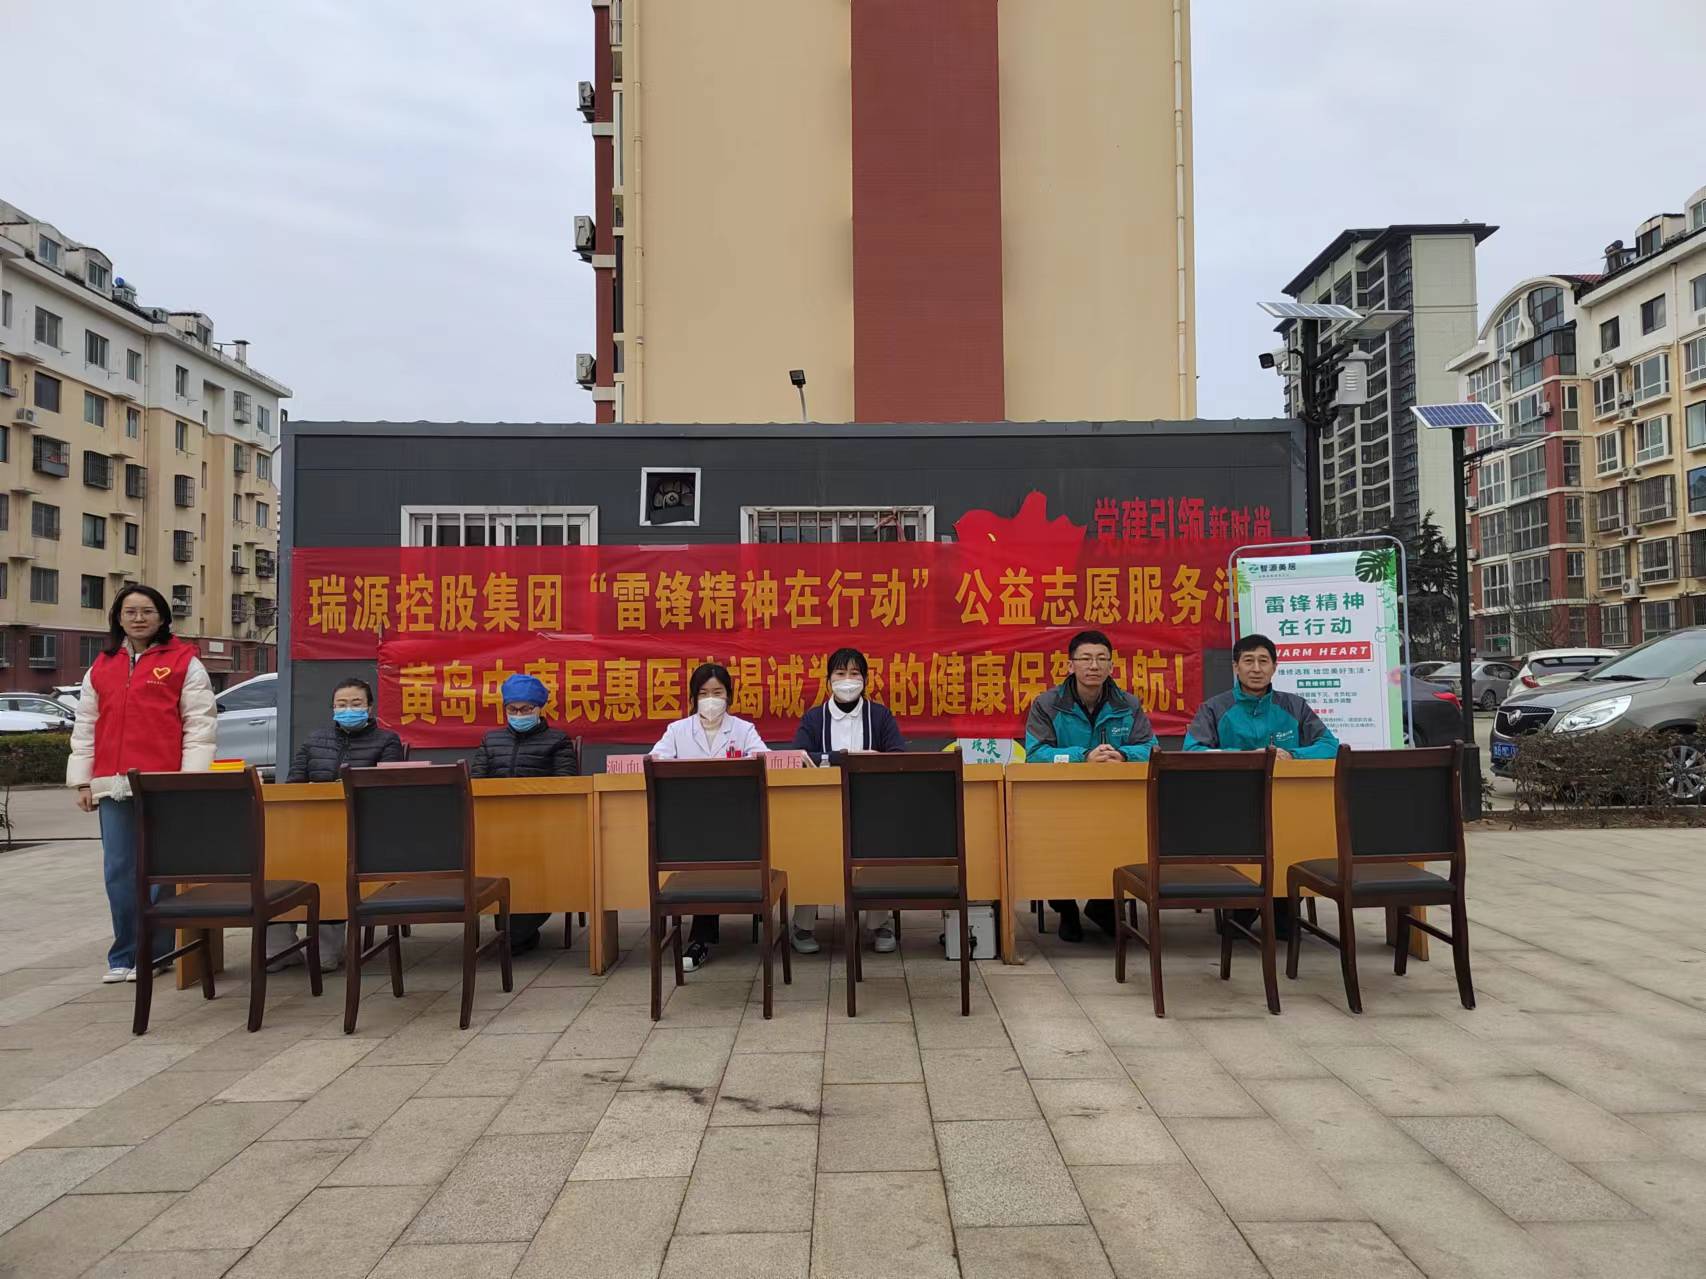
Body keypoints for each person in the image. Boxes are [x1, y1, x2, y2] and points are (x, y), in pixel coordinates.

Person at [67, 584, 218, 983]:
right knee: (119, 870)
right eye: (130, 611)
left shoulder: (185, 662)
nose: (138, 618)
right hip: (112, 785)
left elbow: (199, 726)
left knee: (160, 870)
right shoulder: (101, 666)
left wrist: (189, 782)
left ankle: (157, 952)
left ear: (162, 617)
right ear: (118, 618)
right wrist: (82, 782)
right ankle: (124, 953)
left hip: (163, 785)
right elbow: (86, 726)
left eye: (147, 611)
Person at [1023, 629, 1155, 944]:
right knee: (1052, 837)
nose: (1093, 666)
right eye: (1085, 659)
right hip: (1060, 800)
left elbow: (1151, 748)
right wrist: (1082, 756)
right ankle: (1066, 909)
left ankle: (1102, 905)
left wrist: (1123, 754)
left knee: (1129, 832)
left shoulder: (1128, 704)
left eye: (1101, 659)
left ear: (1111, 666)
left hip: (1114, 799)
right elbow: (1035, 754)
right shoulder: (1047, 704)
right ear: (1070, 665)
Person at [269, 678, 404, 972]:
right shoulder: (314, 740)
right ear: (332, 708)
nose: (348, 709)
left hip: (360, 828)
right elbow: (293, 785)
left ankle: (326, 949)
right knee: (277, 861)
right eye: (341, 704)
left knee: (330, 861)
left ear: (370, 708)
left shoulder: (387, 741)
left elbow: (388, 790)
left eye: (356, 704)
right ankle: (279, 947)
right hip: (310, 827)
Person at [649, 662, 768, 971]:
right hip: (691, 825)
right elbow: (655, 760)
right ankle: (702, 937)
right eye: (703, 693)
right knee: (704, 849)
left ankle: (702, 937)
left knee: (715, 847)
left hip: (737, 821)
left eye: (718, 692)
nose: (711, 700)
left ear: (729, 696)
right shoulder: (677, 730)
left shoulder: (743, 729)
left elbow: (765, 760)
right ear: (693, 697)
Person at [790, 647, 906, 956]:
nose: (847, 680)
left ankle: (880, 923)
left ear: (865, 680)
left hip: (871, 806)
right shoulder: (814, 718)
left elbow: (897, 755)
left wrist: (862, 761)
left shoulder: (879, 715)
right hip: (820, 808)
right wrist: (843, 758)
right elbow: (798, 757)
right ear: (828, 681)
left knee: (880, 841)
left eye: (855, 673)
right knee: (808, 844)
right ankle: (802, 925)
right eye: (840, 673)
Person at [469, 672, 580, 954]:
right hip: (495, 828)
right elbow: (475, 783)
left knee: (530, 866)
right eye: (512, 709)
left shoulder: (557, 740)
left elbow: (566, 784)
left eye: (526, 709)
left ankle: (519, 932)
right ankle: (514, 931)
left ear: (540, 708)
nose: (519, 715)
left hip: (541, 828)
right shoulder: (491, 740)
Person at [1183, 633, 1340, 758]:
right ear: (1236, 667)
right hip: (1231, 785)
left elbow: (1330, 745)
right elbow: (1192, 751)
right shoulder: (1213, 709)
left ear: (1274, 667)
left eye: (1263, 661)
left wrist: (1292, 755)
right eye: (1248, 661)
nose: (1256, 669)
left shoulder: (1296, 706)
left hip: (1286, 786)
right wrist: (1247, 756)